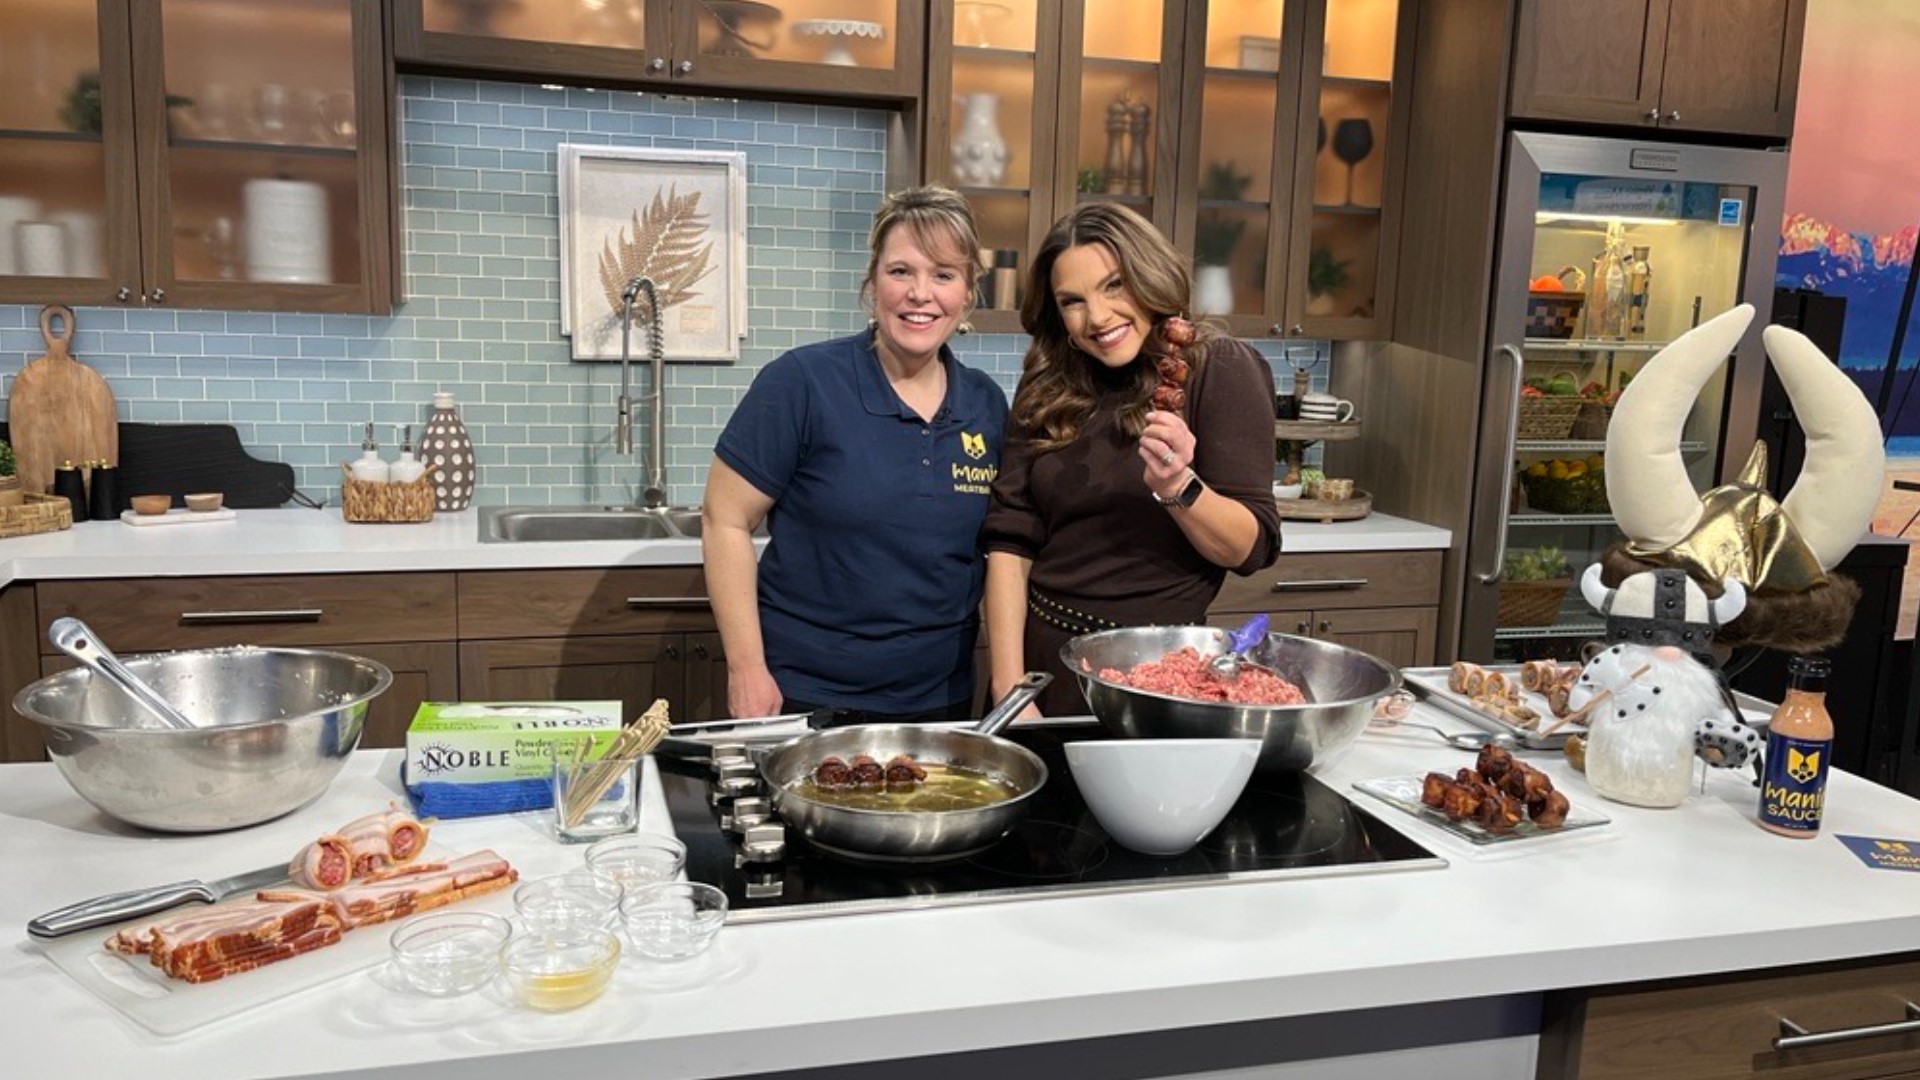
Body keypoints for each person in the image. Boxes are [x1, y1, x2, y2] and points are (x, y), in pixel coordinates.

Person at [702, 186, 1008, 723]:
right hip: (806, 693)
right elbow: (724, 518)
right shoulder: (802, 382)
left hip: (940, 700)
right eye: (900, 272)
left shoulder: (985, 402)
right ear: (872, 284)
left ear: (967, 293)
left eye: (943, 274)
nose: (920, 293)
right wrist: (746, 670)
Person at [981, 202, 1282, 717]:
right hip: (1044, 668)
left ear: (1149, 275)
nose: (1096, 317)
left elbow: (1250, 549)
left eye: (1114, 285)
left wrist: (1180, 487)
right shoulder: (1047, 385)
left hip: (1160, 674)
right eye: (1072, 301)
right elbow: (1011, 541)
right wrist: (1009, 689)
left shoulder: (1216, 367)